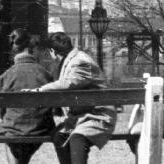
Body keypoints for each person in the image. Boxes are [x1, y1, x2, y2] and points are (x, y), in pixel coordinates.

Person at [39, 32, 116, 164]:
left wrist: (40, 89)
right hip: (81, 115)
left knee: (77, 138)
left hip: (97, 115)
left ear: (52, 51)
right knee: (59, 137)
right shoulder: (71, 59)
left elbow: (69, 83)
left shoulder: (80, 61)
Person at [0, 29, 56, 164]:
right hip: (40, 129)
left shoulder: (6, 76)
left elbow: (0, 110)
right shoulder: (45, 73)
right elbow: (52, 106)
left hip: (13, 130)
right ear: (32, 49)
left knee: (11, 137)